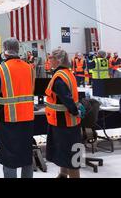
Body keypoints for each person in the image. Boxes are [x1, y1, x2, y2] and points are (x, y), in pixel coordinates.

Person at [0, 38, 35, 178]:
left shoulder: (1, 69)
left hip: (8, 118)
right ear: (17, 49)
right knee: (26, 154)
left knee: (9, 155)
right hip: (27, 117)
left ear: (5, 50)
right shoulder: (29, 68)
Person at [45, 49, 85, 178]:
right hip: (71, 121)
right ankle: (62, 174)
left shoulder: (59, 78)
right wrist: (76, 111)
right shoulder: (68, 73)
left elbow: (66, 98)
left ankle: (72, 175)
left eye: (51, 58)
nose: (49, 60)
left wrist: (74, 110)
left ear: (59, 60)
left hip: (63, 122)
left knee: (70, 155)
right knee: (69, 152)